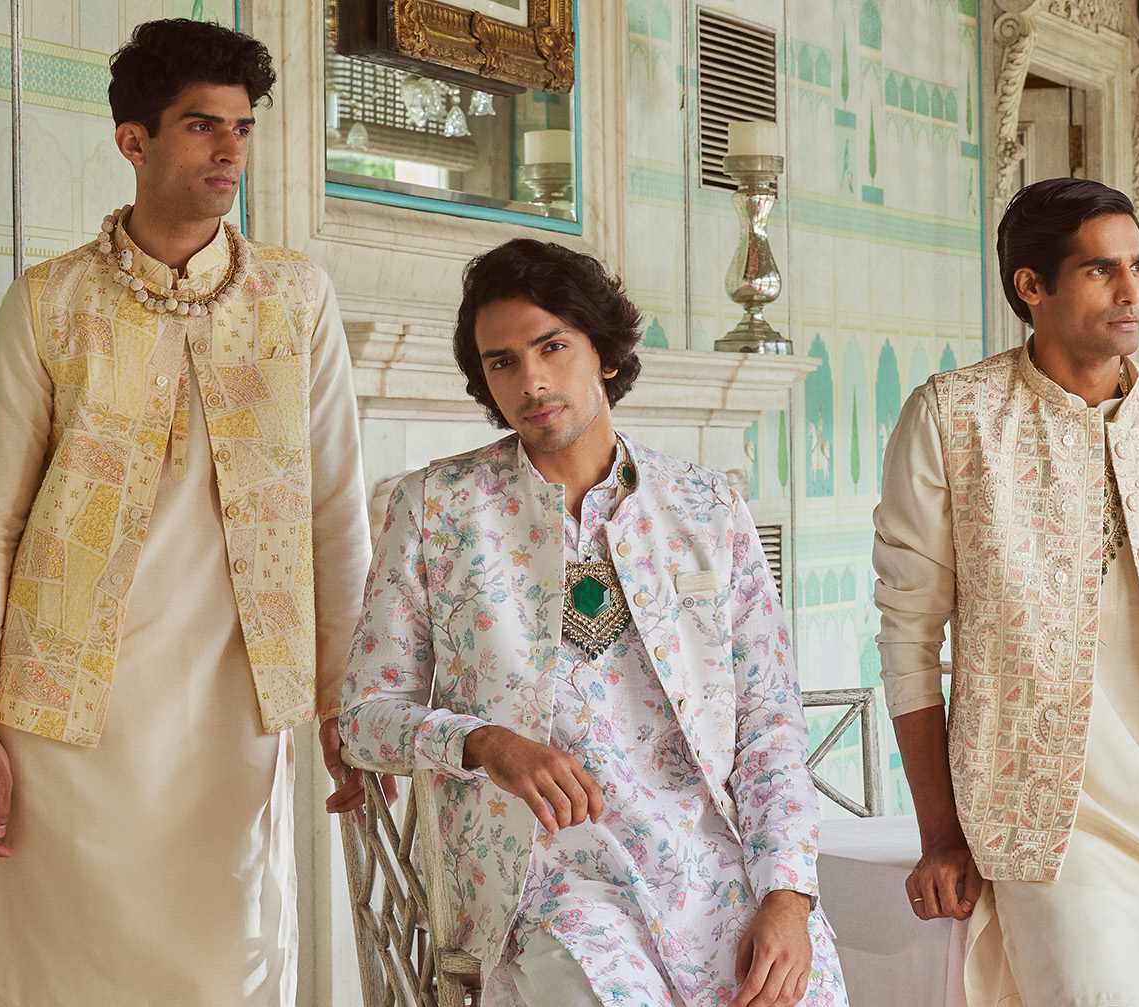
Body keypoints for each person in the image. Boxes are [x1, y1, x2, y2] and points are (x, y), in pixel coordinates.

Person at [0, 19, 372, 1005]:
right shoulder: (49, 302)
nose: (230, 151)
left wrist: (346, 702)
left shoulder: (295, 300)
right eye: (201, 125)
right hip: (64, 718)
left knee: (225, 968)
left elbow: (335, 512)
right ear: (133, 140)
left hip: (231, 717)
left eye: (242, 127)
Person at [341, 238, 843, 1007]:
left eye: (553, 346)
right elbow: (364, 718)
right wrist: (483, 741)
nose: (532, 380)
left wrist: (788, 895)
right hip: (544, 879)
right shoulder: (437, 508)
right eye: (503, 361)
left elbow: (769, 723)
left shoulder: (708, 508)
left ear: (603, 353)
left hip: (712, 871)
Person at [872, 177, 1139, 1007]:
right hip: (1046, 833)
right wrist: (941, 833)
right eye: (1101, 270)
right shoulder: (953, 420)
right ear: (1032, 285)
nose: (1132, 291)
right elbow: (908, 642)